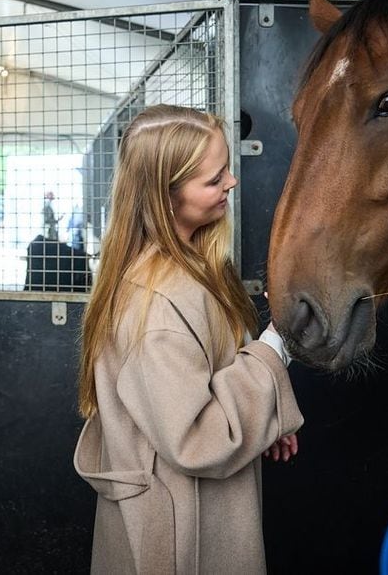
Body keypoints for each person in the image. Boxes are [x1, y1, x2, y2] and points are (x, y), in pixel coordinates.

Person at [73, 104, 303, 574]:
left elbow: (206, 384)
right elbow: (197, 439)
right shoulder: (156, 301)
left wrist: (262, 417)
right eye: (214, 179)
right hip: (179, 537)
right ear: (165, 195)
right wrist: (274, 349)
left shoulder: (192, 269)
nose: (231, 184)